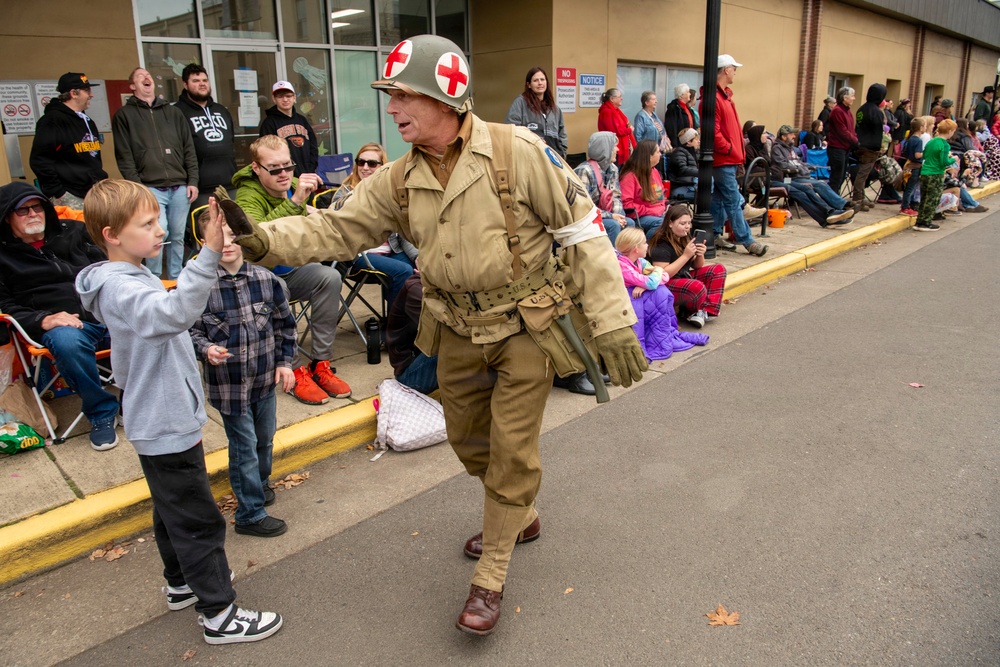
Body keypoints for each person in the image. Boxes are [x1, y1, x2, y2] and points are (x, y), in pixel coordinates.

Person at [228, 34, 647, 637]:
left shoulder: (520, 151)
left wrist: (612, 322)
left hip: (527, 325)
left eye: (402, 96)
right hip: (453, 328)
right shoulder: (398, 178)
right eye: (390, 96)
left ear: (443, 96)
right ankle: (520, 513)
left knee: (511, 449)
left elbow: (583, 232)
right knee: (468, 440)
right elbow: (338, 229)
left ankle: (490, 577)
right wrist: (263, 239)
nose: (392, 108)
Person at [76, 180, 283, 645]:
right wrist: (208, 254)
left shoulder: (131, 275)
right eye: (147, 224)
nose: (161, 230)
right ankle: (220, 614)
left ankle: (181, 584)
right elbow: (171, 315)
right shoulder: (120, 286)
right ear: (111, 234)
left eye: (158, 220)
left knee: (172, 508)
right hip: (164, 419)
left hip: (162, 416)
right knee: (198, 519)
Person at [189, 214, 296, 538]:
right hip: (228, 387)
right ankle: (250, 513)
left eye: (233, 236)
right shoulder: (198, 286)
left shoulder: (266, 280)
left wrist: (284, 363)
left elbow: (285, 326)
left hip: (263, 380)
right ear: (204, 243)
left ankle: (259, 484)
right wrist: (206, 348)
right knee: (244, 446)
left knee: (264, 439)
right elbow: (188, 331)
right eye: (218, 237)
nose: (227, 244)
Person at [233, 135, 351, 405]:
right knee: (279, 288)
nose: (284, 174)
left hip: (293, 268)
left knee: (330, 277)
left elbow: (308, 214)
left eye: (288, 165)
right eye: (274, 169)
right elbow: (257, 237)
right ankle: (293, 368)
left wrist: (324, 214)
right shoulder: (248, 195)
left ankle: (321, 363)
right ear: (256, 168)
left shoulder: (293, 182)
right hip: (259, 276)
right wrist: (295, 202)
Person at [0, 182, 118, 450]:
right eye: (23, 210)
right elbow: (4, 305)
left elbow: (114, 264)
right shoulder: (3, 256)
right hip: (65, 328)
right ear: (7, 217)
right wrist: (42, 319)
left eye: (37, 207)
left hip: (109, 314)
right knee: (66, 341)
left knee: (154, 321)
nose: (33, 214)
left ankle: (133, 401)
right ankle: (101, 412)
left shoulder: (75, 231)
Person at [112, 67, 199, 279]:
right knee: (158, 233)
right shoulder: (124, 115)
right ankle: (154, 278)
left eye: (148, 75)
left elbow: (189, 148)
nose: (146, 77)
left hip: (180, 186)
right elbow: (124, 155)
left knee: (177, 235)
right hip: (150, 187)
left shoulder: (173, 112)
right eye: (140, 76)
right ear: (132, 86)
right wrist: (138, 188)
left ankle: (176, 278)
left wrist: (193, 180)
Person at [331, 143, 416, 307]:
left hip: (391, 250)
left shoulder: (390, 192)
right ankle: (395, 322)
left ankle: (406, 319)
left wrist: (417, 256)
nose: (364, 167)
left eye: (371, 164)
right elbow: (342, 228)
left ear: (382, 167)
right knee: (403, 271)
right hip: (360, 255)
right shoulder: (344, 193)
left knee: (418, 270)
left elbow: (403, 231)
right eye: (360, 162)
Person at [702, 54, 767, 257]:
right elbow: (713, 133)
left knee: (719, 199)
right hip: (724, 159)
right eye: (734, 68)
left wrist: (732, 150)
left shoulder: (723, 97)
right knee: (732, 201)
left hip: (727, 158)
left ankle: (714, 235)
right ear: (726, 70)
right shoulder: (715, 98)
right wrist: (730, 149)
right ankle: (747, 240)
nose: (735, 72)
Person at [614, 227, 708, 360]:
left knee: (661, 291)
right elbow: (652, 281)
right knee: (659, 292)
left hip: (637, 295)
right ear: (636, 248)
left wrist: (646, 285)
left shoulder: (640, 262)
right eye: (644, 243)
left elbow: (664, 276)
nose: (647, 245)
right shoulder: (622, 265)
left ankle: (662, 335)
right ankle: (648, 341)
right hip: (624, 300)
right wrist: (655, 272)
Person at [29, 72, 107, 209]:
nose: (91, 95)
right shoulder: (52, 120)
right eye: (87, 90)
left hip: (93, 193)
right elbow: (40, 160)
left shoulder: (87, 121)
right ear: (73, 93)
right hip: (70, 196)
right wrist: (58, 192)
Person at [647, 204, 726, 327]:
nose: (687, 226)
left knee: (718, 269)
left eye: (689, 223)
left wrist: (700, 254)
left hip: (683, 277)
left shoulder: (684, 237)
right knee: (696, 287)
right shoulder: (660, 242)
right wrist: (686, 256)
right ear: (670, 223)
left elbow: (697, 266)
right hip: (665, 284)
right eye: (683, 223)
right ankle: (690, 312)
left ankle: (706, 310)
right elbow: (662, 274)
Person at [176, 64, 237, 209]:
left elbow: (231, 141)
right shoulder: (177, 112)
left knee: (235, 222)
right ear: (185, 84)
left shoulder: (221, 110)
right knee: (207, 223)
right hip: (200, 188)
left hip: (229, 183)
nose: (202, 84)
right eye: (196, 81)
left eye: (205, 80)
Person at [771, 125, 855, 227]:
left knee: (818, 184)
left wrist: (805, 166)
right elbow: (782, 165)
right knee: (816, 186)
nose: (794, 136)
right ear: (784, 137)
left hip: (800, 176)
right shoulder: (777, 148)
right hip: (789, 178)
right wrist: (799, 168)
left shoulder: (790, 149)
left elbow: (798, 162)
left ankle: (833, 212)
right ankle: (835, 210)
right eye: (791, 134)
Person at [573, 131, 633, 245]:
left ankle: (626, 257)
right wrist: (611, 216)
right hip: (586, 219)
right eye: (614, 146)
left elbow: (616, 196)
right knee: (613, 225)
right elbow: (583, 206)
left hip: (604, 215)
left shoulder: (613, 168)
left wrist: (619, 216)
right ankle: (611, 256)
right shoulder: (584, 171)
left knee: (629, 223)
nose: (618, 150)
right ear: (604, 148)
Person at [386, 270, 437, 395]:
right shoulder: (416, 289)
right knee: (457, 343)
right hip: (410, 375)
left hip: (423, 359)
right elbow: (441, 332)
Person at [259, 81, 318, 177]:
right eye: (280, 96)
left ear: (294, 97)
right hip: (285, 176)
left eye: (288, 96)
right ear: (274, 99)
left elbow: (313, 145)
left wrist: (311, 168)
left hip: (308, 173)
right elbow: (268, 153)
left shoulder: (302, 120)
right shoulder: (269, 123)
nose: (285, 99)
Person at [505, 67, 566, 157]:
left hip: (553, 159)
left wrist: (562, 153)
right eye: (535, 80)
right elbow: (511, 129)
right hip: (530, 157)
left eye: (542, 79)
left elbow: (562, 134)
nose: (540, 83)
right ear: (529, 85)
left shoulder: (555, 109)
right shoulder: (520, 103)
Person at [619, 139, 667, 239]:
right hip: (637, 216)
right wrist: (650, 211)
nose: (660, 154)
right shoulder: (630, 176)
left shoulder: (654, 171)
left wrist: (662, 207)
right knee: (661, 223)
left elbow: (660, 195)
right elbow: (626, 204)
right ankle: (646, 246)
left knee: (676, 220)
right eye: (658, 152)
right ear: (649, 156)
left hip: (656, 212)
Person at [914, 119, 957, 231]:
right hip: (936, 173)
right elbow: (944, 162)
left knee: (924, 198)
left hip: (925, 172)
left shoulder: (931, 141)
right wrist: (953, 159)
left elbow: (925, 155)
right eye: (953, 131)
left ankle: (919, 221)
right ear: (950, 131)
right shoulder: (944, 145)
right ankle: (926, 222)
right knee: (933, 199)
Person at [851, 83, 886, 212]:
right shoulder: (876, 111)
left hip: (859, 145)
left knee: (863, 173)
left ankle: (861, 197)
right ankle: (857, 199)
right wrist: (879, 146)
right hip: (870, 148)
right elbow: (878, 131)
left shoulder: (861, 109)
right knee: (862, 174)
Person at [826, 86, 858, 197]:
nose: (854, 98)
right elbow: (842, 131)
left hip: (845, 148)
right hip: (837, 148)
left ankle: (836, 198)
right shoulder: (837, 111)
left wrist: (855, 139)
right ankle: (832, 199)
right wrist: (855, 141)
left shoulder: (847, 111)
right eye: (852, 96)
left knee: (842, 175)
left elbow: (851, 129)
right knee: (837, 177)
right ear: (845, 98)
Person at [598, 87, 636, 166]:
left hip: (620, 149)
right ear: (612, 99)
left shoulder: (616, 111)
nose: (622, 98)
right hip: (613, 150)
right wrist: (629, 130)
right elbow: (614, 132)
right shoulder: (607, 112)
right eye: (619, 96)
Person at [899, 117, 925, 216]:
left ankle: (906, 205)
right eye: (924, 126)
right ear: (921, 128)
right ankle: (905, 207)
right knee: (910, 188)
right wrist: (925, 153)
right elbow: (917, 155)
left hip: (909, 165)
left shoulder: (910, 139)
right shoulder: (918, 141)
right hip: (915, 166)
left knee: (908, 187)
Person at [667, 128, 700, 201]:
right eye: (696, 139)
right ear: (689, 141)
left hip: (688, 185)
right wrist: (701, 172)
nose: (699, 141)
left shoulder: (693, 153)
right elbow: (682, 169)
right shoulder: (679, 152)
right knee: (709, 193)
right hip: (681, 187)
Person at [663, 83, 695, 150]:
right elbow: (671, 128)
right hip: (680, 145)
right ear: (682, 95)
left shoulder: (687, 107)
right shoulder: (673, 109)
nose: (690, 94)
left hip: (689, 143)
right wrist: (674, 145)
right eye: (688, 92)